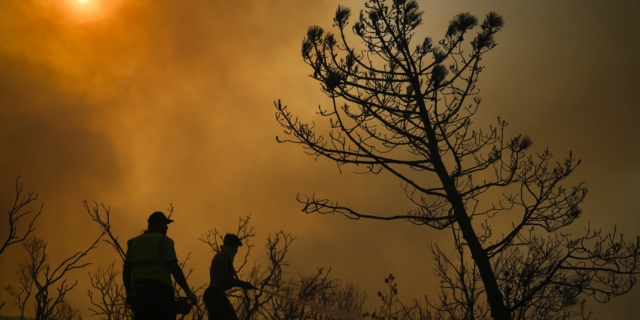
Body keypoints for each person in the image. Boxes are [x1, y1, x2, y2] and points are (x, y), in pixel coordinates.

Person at [123, 211, 198, 320]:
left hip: (140, 296)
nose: (167, 228)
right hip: (161, 295)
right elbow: (174, 268)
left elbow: (126, 270)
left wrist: (129, 292)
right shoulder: (165, 241)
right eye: (165, 224)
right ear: (159, 224)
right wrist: (187, 291)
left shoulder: (133, 243)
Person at [203, 233, 257, 320]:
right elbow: (225, 278)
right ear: (230, 245)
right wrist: (242, 284)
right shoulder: (222, 256)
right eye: (235, 246)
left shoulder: (225, 258)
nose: (236, 250)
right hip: (215, 294)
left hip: (214, 294)